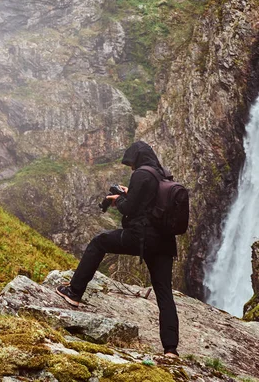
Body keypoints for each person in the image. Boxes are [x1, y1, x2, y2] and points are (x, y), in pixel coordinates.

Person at [56, 141, 180, 358]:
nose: (131, 167)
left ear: (137, 159)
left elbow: (130, 209)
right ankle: (170, 349)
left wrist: (118, 201)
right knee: (164, 292)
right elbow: (149, 202)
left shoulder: (141, 174)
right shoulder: (162, 176)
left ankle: (74, 292)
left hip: (141, 238)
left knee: (99, 242)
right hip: (165, 243)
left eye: (131, 163)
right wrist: (128, 194)